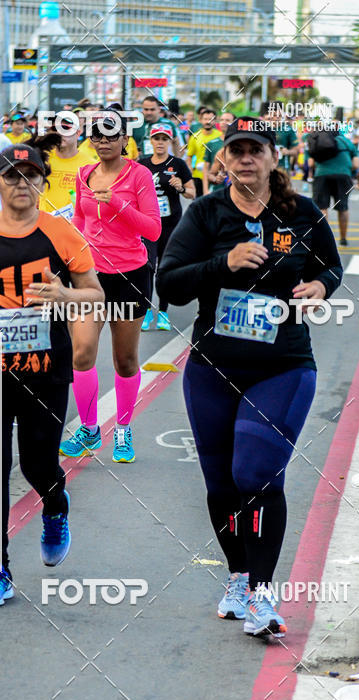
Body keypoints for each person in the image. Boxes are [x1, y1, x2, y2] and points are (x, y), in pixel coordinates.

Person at [157, 116, 343, 637]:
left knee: (256, 475)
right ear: (223, 158)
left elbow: (330, 266)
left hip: (283, 366)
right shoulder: (205, 213)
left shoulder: (300, 212)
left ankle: (263, 595)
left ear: (273, 158)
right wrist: (224, 263)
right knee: (221, 484)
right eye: (235, 150)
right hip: (213, 367)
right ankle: (239, 576)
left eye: (254, 150)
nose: (244, 159)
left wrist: (321, 288)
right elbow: (169, 285)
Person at [0, 143, 103, 606]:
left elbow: (94, 294)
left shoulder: (61, 233)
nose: (21, 183)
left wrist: (64, 296)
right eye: (11, 175)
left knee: (37, 463)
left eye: (30, 175)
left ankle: (55, 503)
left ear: (43, 183)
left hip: (44, 362)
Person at [59, 110, 161, 463]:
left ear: (124, 140)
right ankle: (89, 428)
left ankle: (123, 428)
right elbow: (79, 217)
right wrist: (70, 253)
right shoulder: (84, 174)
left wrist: (116, 203)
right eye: (97, 136)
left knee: (125, 360)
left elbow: (153, 230)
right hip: (90, 277)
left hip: (130, 276)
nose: (103, 142)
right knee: (81, 353)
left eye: (110, 135)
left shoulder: (139, 175)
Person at [139, 124, 195, 331]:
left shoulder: (178, 164)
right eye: (157, 138)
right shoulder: (142, 164)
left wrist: (180, 187)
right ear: (151, 141)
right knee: (147, 268)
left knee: (164, 268)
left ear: (170, 142)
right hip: (148, 225)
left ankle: (163, 312)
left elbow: (192, 193)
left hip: (170, 224)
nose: (160, 143)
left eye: (164, 139)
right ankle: (146, 311)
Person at [308, 121, 357, 246]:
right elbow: (356, 164)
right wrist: (344, 169)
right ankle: (343, 238)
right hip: (343, 176)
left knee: (322, 208)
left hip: (321, 175)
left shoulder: (318, 140)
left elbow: (310, 163)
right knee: (343, 208)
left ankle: (324, 239)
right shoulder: (346, 141)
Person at [38, 116, 94, 219]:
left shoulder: (91, 165)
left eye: (65, 128)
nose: (59, 133)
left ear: (78, 133)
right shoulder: (42, 159)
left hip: (75, 226)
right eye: (55, 129)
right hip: (43, 223)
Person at [186, 108, 222, 197]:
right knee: (199, 201)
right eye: (205, 119)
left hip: (215, 176)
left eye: (210, 119)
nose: (208, 122)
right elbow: (189, 155)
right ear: (200, 120)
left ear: (215, 121)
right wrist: (189, 170)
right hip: (198, 175)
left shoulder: (220, 136)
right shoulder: (195, 136)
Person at [202, 111, 234, 193]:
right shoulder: (211, 143)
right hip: (217, 191)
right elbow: (206, 170)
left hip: (237, 192)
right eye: (222, 120)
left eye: (227, 120)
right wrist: (206, 190)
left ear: (234, 123)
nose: (224, 122)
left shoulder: (241, 143)